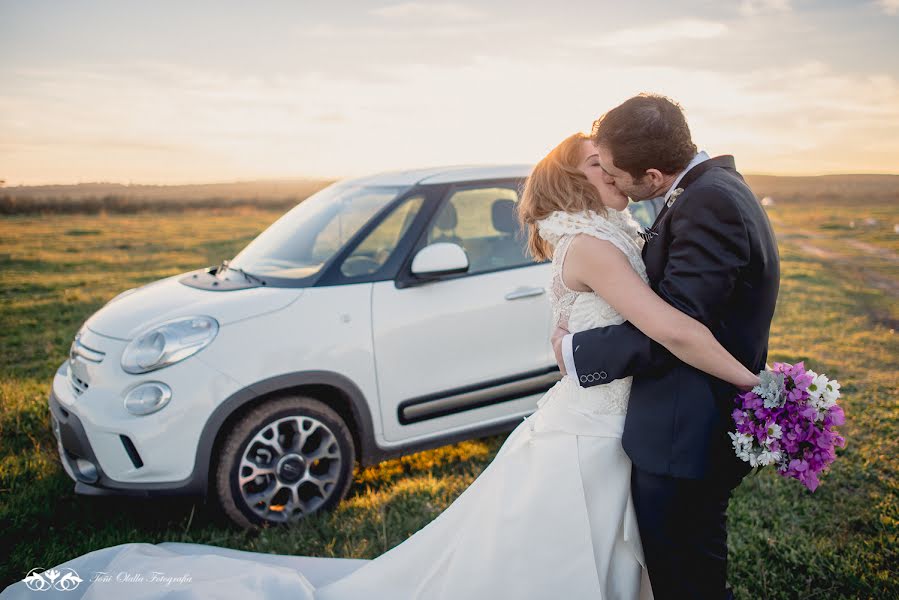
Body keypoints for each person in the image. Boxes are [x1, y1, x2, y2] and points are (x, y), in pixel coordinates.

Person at [1, 129, 762, 600]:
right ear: (573, 177)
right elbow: (661, 322)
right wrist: (757, 382)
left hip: (609, 417)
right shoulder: (591, 242)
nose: (615, 169)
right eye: (599, 162)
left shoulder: (618, 227)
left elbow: (661, 305)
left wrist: (567, 345)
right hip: (590, 426)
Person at [552, 94, 780, 600]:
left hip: (684, 431)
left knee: (685, 581)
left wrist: (577, 353)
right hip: (683, 425)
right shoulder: (708, 190)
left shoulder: (709, 202)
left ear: (652, 177)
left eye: (613, 172)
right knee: (682, 572)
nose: (608, 180)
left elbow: (679, 326)